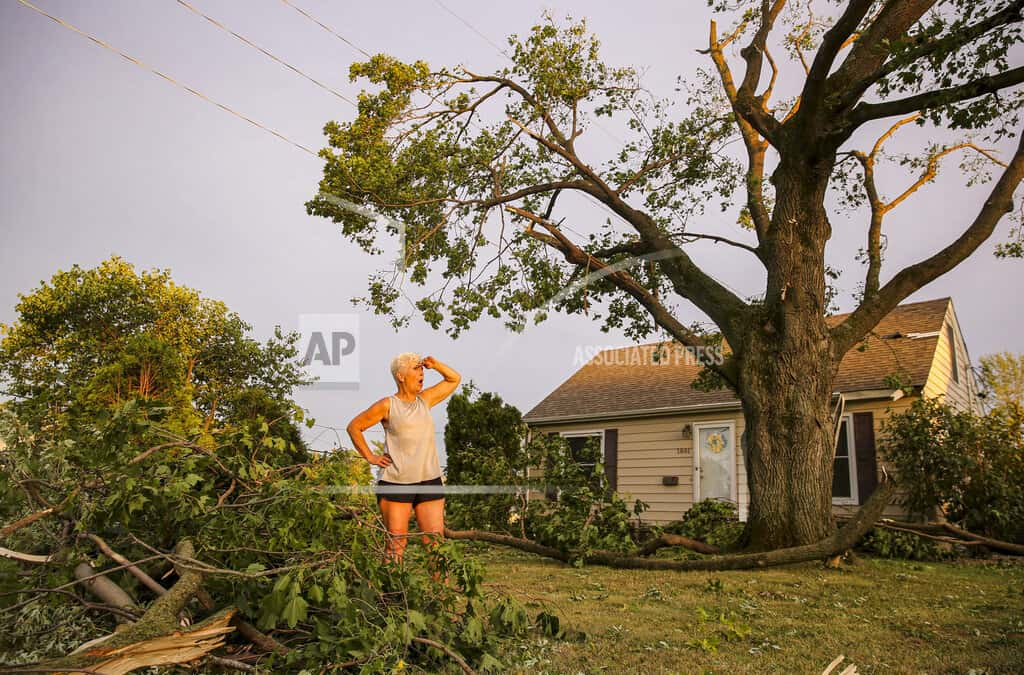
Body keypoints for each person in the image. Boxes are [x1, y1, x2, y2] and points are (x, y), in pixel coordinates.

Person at [346, 353, 461, 562]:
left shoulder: (425, 400)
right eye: (416, 368)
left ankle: (441, 595)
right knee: (396, 545)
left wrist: (435, 365)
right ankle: (391, 595)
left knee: (436, 545)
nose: (422, 372)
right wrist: (370, 457)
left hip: (429, 480)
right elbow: (354, 427)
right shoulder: (387, 405)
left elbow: (454, 379)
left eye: (422, 368)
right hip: (396, 482)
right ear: (401, 376)